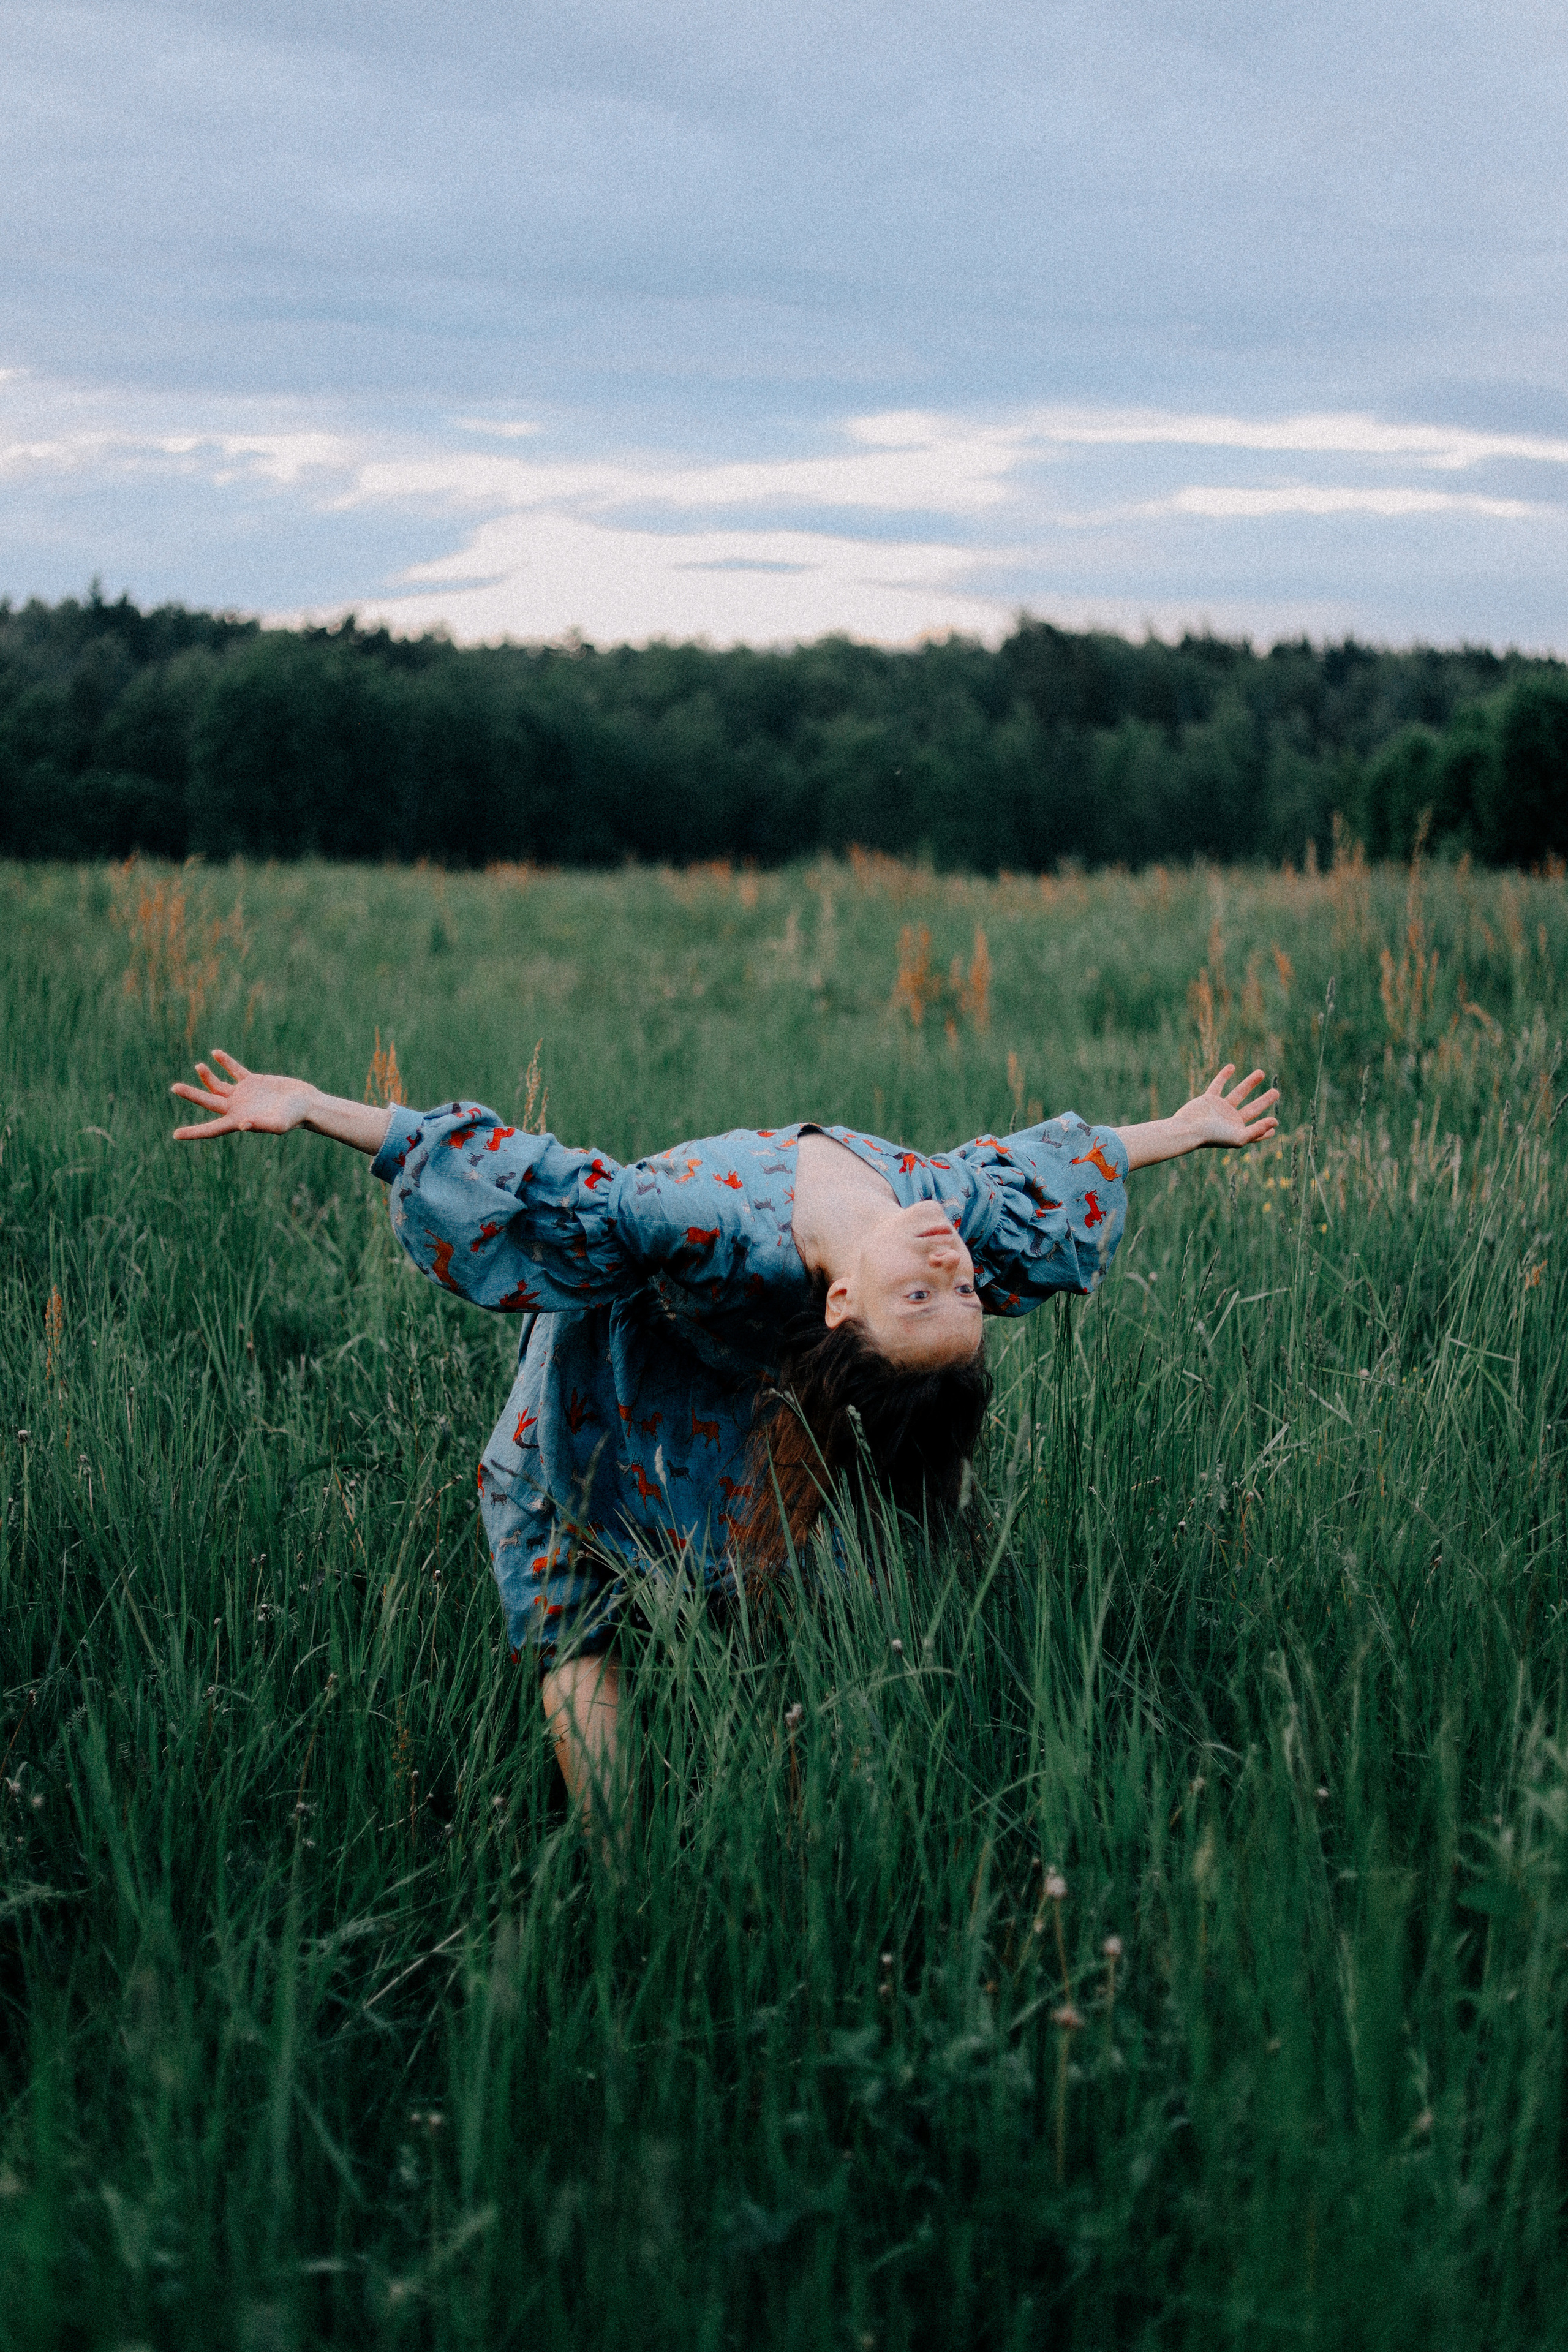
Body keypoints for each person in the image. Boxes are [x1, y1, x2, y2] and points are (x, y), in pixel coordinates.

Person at [172, 1050, 1278, 1809]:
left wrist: (324, 1110)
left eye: (926, 1299)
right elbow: (1041, 1173)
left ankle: (768, 1832)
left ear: (845, 1313)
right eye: (958, 1295)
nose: (953, 1269)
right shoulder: (943, 1211)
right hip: (614, 1391)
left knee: (775, 1577)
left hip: (678, 1396)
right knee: (578, 1605)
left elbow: (528, 1175)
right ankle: (622, 1868)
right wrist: (1179, 1131)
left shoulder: (696, 1220)